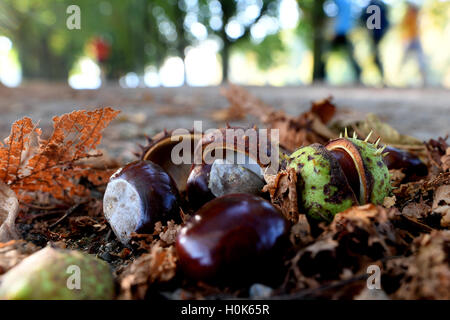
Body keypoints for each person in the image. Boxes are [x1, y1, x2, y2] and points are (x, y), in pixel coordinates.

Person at [330, 0, 361, 81]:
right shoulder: (348, 3)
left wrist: (334, 30)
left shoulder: (339, 2)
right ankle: (358, 73)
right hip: (347, 30)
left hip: (340, 31)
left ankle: (320, 74)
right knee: (350, 54)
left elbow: (335, 16)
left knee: (327, 51)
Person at [399, 3, 427, 85]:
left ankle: (424, 80)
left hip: (415, 40)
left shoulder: (417, 15)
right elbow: (402, 27)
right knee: (404, 60)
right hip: (409, 40)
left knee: (420, 60)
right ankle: (399, 77)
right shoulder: (408, 16)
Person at [361, 0, 390, 80]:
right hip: (379, 33)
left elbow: (363, 19)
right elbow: (387, 21)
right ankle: (379, 76)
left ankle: (363, 76)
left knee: (373, 54)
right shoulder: (381, 5)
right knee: (374, 54)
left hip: (373, 34)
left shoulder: (369, 6)